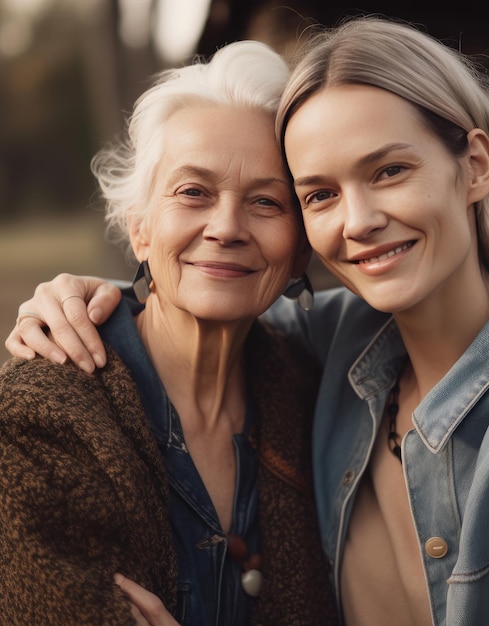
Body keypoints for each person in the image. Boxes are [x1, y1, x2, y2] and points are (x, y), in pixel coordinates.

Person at [7, 15, 489, 626]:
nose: (357, 221)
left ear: (475, 166)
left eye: (389, 171)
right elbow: (204, 299)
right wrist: (91, 300)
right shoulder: (334, 350)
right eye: (320, 194)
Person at [0, 39, 339, 626]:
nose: (227, 227)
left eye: (266, 201)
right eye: (193, 192)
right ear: (140, 228)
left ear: (300, 250)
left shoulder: (318, 400)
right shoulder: (40, 418)